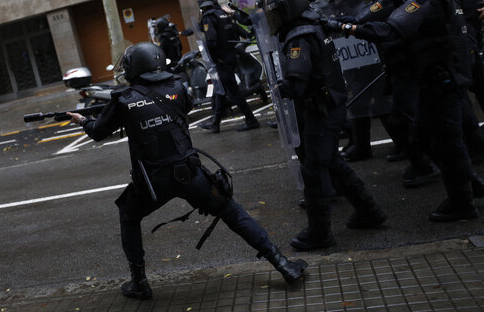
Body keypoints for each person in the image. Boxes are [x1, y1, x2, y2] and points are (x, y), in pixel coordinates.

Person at [65, 42, 307, 300]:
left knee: (128, 215)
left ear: (134, 68)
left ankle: (139, 282)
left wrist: (84, 121)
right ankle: (282, 263)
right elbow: (184, 107)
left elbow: (98, 132)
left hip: (153, 182)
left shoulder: (123, 100)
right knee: (231, 212)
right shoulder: (178, 87)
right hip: (190, 174)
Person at [328, 0, 481, 222]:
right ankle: (468, 186)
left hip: (444, 77)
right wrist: (355, 20)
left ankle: (463, 201)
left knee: (448, 141)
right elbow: (384, 7)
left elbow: (391, 30)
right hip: (434, 77)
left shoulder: (422, 2)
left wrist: (347, 28)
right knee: (425, 137)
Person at [257, 0, 387, 251]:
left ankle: (319, 233)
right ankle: (369, 211)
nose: (272, 20)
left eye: (274, 14)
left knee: (314, 171)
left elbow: (297, 82)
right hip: (330, 105)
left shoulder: (299, 37)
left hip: (320, 110)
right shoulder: (313, 25)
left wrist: (277, 88)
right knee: (332, 163)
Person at [197, 0, 261, 133]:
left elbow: (212, 40)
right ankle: (215, 123)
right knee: (220, 89)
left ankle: (251, 119)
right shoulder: (222, 14)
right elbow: (233, 32)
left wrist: (208, 52)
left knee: (233, 91)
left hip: (221, 60)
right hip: (230, 56)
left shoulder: (208, 18)